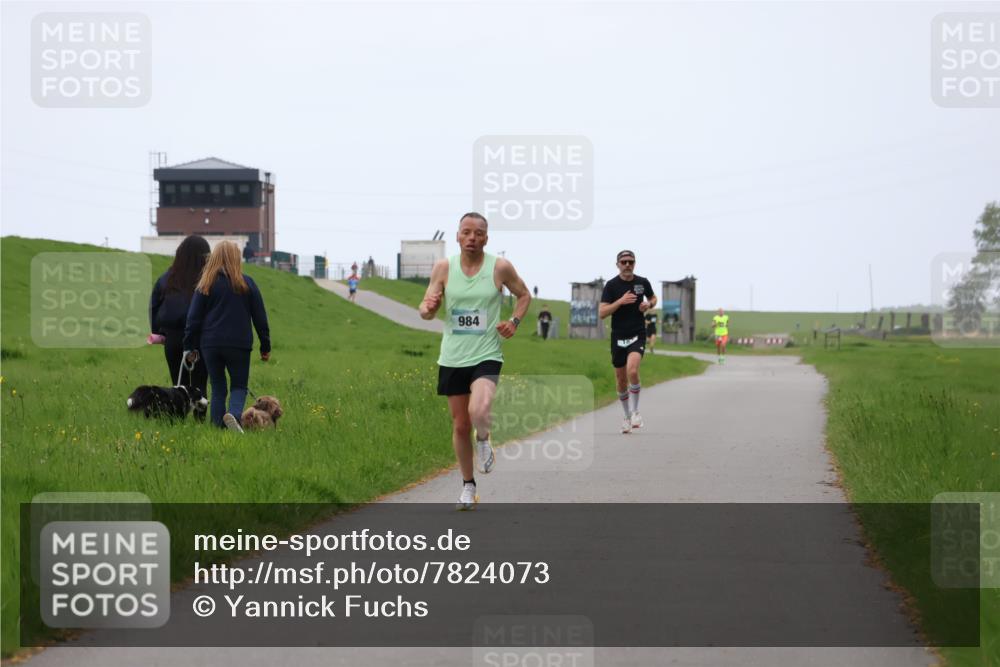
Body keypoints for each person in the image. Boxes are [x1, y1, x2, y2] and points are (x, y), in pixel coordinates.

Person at [419, 212, 531, 510]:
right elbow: (426, 309)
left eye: (478, 233)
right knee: (459, 425)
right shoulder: (444, 268)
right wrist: (429, 307)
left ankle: (483, 438)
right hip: (453, 356)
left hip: (487, 353)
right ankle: (468, 487)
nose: (472, 238)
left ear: (486, 238)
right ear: (457, 236)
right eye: (466, 232)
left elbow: (524, 295)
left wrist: (514, 322)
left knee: (479, 409)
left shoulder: (500, 267)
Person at [183, 241, 272, 431]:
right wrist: (265, 347)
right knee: (239, 386)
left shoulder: (205, 284)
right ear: (236, 258)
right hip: (239, 344)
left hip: (211, 344)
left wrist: (189, 347)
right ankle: (234, 416)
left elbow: (193, 319)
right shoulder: (247, 283)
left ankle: (217, 427)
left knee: (217, 388)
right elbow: (260, 318)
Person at [599, 250, 657, 434]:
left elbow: (653, 298)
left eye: (630, 262)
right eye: (623, 262)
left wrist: (649, 304)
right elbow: (602, 313)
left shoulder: (642, 282)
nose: (627, 265)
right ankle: (626, 416)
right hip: (618, 336)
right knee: (621, 379)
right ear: (617, 264)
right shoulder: (611, 286)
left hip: (637, 334)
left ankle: (635, 412)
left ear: (635, 263)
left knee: (632, 370)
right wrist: (620, 301)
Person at [148, 236, 210, 400]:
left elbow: (153, 307)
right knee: (200, 382)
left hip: (172, 337)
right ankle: (199, 419)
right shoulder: (208, 280)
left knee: (178, 382)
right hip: (200, 338)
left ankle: (178, 418)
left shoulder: (166, 279)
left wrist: (157, 333)